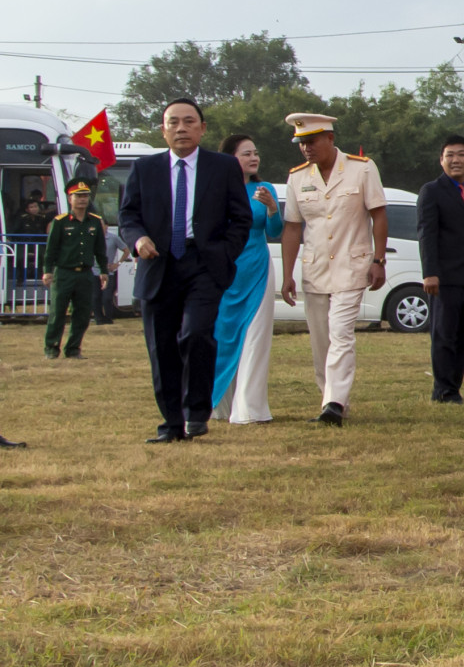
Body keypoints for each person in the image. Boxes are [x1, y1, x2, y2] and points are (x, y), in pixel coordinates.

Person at [119, 98, 253, 443]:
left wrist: (225, 254)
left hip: (204, 264)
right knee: (161, 348)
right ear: (163, 129)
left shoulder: (222, 167)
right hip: (158, 264)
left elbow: (240, 218)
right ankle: (172, 424)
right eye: (173, 122)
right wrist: (138, 240)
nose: (181, 128)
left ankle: (197, 411)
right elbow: (128, 217)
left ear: (202, 128)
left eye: (189, 121)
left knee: (196, 333)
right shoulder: (144, 169)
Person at [279, 112, 388, 426]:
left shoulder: (361, 169)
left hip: (352, 266)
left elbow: (378, 215)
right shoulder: (298, 177)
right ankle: (330, 398)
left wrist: (379, 260)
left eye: (311, 141)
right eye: (301, 143)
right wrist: (287, 274)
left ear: (330, 138)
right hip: (315, 270)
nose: (306, 148)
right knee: (321, 340)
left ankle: (334, 405)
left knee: (341, 334)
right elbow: (291, 229)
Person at [416, 134, 464, 406]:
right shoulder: (431, 191)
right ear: (441, 160)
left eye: (461, 154)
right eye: (449, 155)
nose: (455, 160)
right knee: (444, 335)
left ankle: (453, 386)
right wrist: (430, 272)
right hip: (444, 279)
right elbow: (427, 235)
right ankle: (444, 389)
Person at [211, 135, 282, 424]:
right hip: (225, 271)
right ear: (230, 158)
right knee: (223, 336)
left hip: (257, 270)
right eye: (246, 154)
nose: (254, 159)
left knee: (255, 338)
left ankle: (250, 409)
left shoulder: (264, 189)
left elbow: (274, 230)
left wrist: (272, 209)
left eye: (256, 153)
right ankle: (218, 405)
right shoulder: (216, 190)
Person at [40, 179, 109, 360]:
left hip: (85, 274)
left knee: (83, 314)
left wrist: (103, 271)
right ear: (70, 199)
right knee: (58, 312)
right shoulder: (60, 222)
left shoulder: (95, 222)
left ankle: (73, 348)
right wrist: (48, 271)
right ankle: (52, 348)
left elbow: (100, 250)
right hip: (64, 273)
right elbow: (51, 249)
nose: (82, 200)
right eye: (78, 196)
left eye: (85, 196)